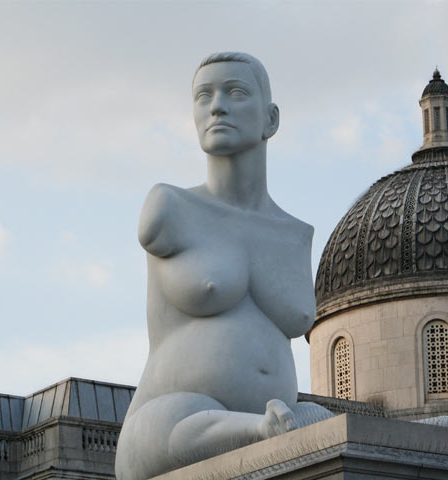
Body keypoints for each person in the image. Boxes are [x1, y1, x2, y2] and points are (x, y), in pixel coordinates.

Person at [115, 52, 332, 480]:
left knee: (319, 419)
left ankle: (417, 434)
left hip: (282, 428)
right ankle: (256, 429)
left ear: (270, 119)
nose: (216, 106)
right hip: (170, 428)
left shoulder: (295, 234)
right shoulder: (170, 207)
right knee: (182, 415)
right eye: (203, 96)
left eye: (235, 93)